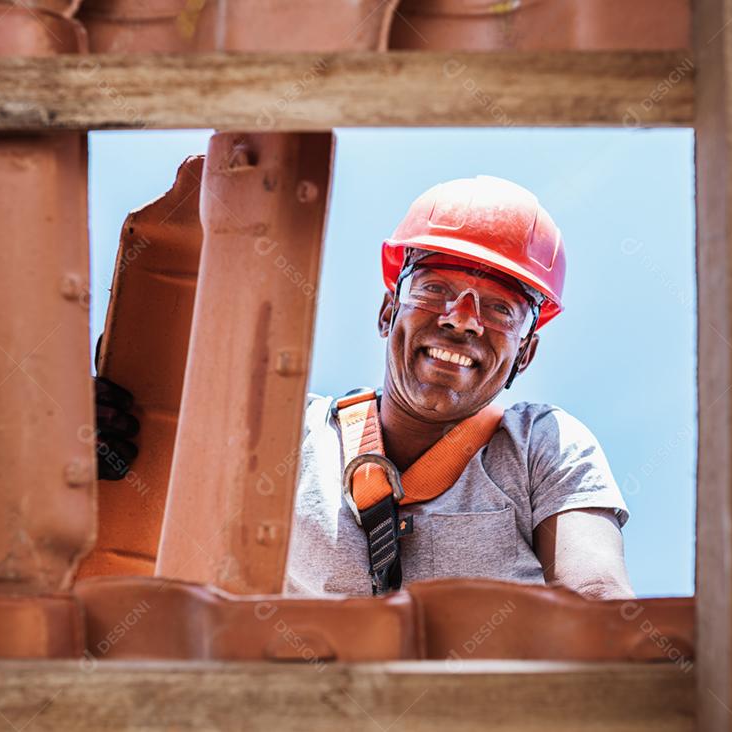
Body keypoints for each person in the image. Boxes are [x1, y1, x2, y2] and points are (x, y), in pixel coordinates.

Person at [97, 175, 633, 600]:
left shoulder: (543, 446)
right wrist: (101, 452)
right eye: (435, 288)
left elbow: (595, 597)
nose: (462, 320)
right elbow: (165, 502)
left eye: (498, 308)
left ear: (526, 351)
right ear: (386, 312)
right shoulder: (287, 433)